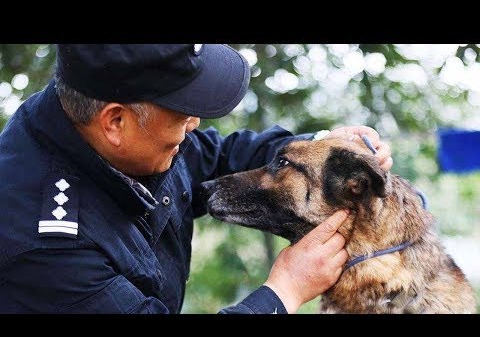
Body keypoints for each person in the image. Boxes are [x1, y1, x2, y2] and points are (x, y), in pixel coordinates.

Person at [0, 44, 392, 314]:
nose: (195, 123)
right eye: (183, 110)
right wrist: (285, 290)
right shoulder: (43, 242)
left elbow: (219, 155)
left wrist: (323, 146)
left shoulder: (128, 134)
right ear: (115, 122)